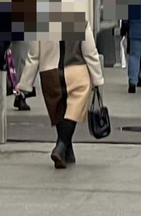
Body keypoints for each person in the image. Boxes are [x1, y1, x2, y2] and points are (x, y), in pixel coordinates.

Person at [17, 17, 105, 169]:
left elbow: (33, 56)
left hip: (49, 73)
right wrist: (98, 80)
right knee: (72, 111)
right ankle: (61, 145)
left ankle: (66, 151)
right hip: (77, 72)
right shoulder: (80, 21)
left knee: (59, 109)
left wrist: (25, 84)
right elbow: (91, 54)